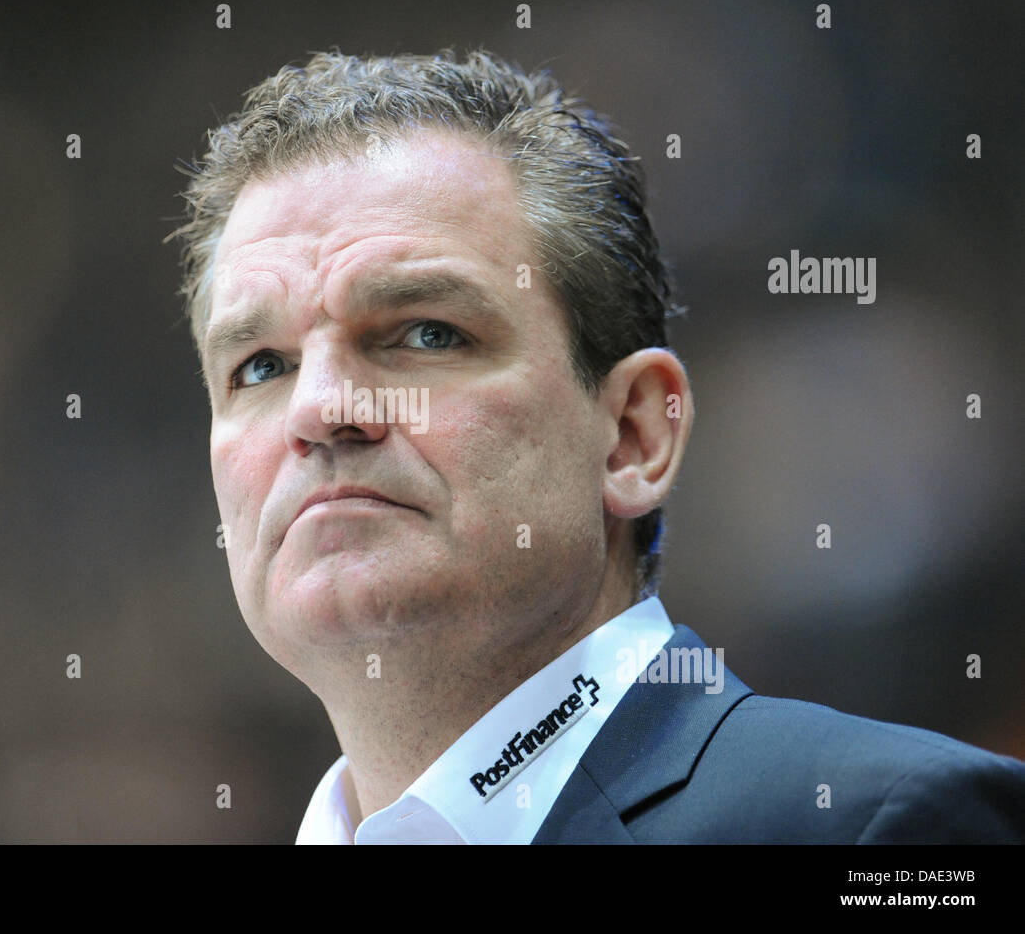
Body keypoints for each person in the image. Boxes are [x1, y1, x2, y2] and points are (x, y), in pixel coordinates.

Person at [166, 48, 1025, 843]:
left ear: (633, 435)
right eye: (260, 365)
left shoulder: (891, 829)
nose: (319, 408)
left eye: (426, 334)